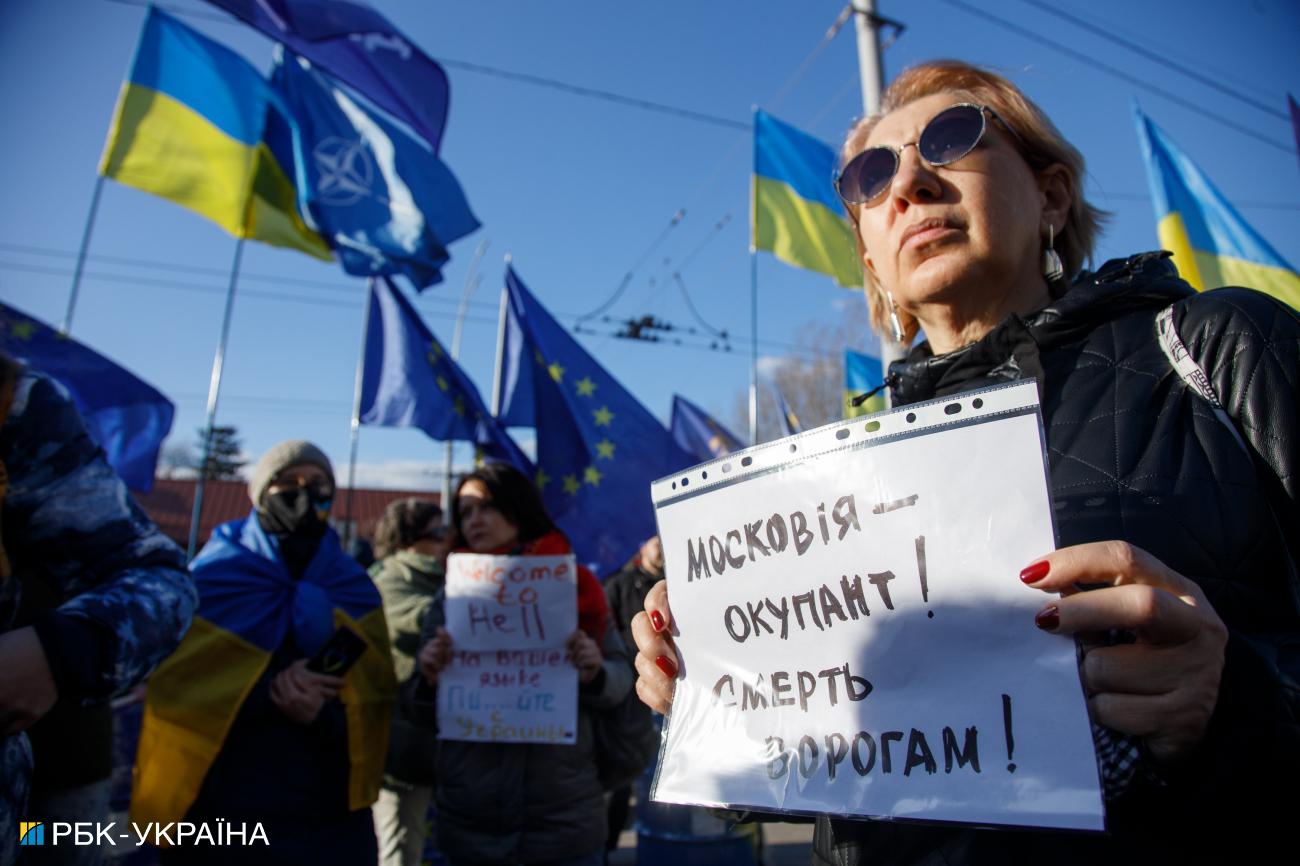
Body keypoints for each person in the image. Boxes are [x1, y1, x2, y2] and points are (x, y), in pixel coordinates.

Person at [631, 60, 1299, 863]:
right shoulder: (830, 484)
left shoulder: (1215, 347)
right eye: (871, 175)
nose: (909, 183)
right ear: (873, 261)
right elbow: (829, 774)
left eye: (952, 140)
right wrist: (717, 702)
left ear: (1050, 197)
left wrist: (1231, 709)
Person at [131, 440, 396, 864]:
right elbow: (176, 685)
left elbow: (376, 693)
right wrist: (269, 693)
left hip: (328, 814)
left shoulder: (354, 587)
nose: (304, 493)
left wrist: (324, 709)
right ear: (259, 493)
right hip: (224, 805)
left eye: (318, 483)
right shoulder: (214, 577)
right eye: (287, 482)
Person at [0, 356, 195, 866]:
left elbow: (152, 578)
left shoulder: (15, 407)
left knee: (56, 842)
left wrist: (60, 650)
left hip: (64, 766)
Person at [416, 461, 634, 866]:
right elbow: (416, 706)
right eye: (465, 513)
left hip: (564, 820)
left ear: (518, 507)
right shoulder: (450, 598)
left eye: (486, 507)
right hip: (471, 822)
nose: (475, 520)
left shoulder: (575, 587)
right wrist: (428, 676)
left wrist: (595, 672)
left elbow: (622, 679)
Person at [370, 497, 450, 866]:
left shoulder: (446, 577)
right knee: (402, 845)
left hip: (445, 736)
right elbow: (421, 620)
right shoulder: (389, 578)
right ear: (406, 539)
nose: (446, 540)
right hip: (403, 739)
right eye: (437, 533)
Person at [600, 536, 663, 853]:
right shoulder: (620, 585)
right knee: (623, 783)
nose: (662, 546)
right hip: (630, 699)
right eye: (656, 541)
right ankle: (607, 849)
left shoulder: (680, 581)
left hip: (671, 701)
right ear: (641, 546)